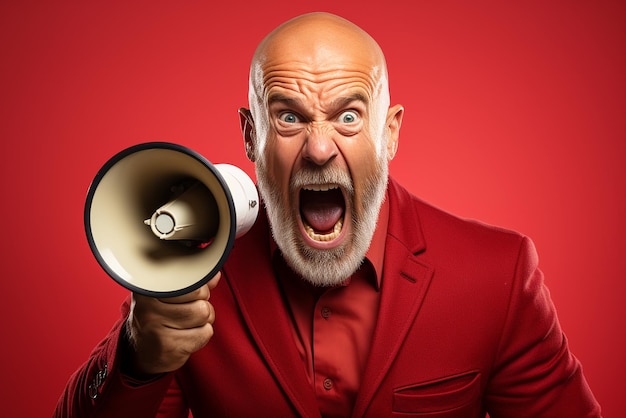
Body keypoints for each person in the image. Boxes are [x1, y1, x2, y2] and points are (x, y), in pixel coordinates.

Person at [54, 12, 601, 417]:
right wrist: (137, 360)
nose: (318, 150)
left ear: (390, 133)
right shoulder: (193, 276)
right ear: (251, 136)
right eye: (289, 117)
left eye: (348, 116)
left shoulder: (497, 276)